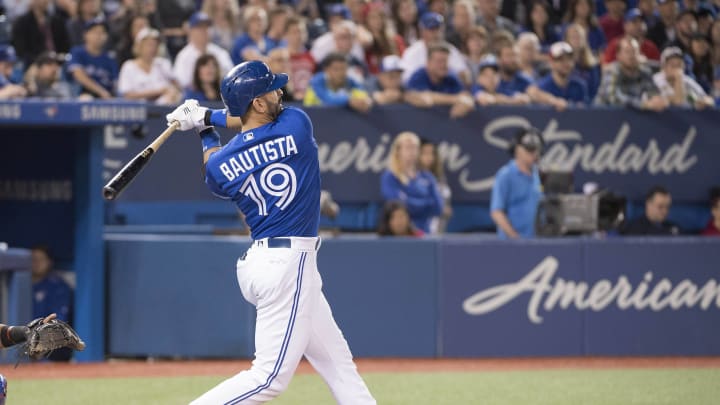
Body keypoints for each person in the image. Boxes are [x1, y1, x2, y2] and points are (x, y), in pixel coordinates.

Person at [164, 60, 376, 404]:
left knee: (337, 363)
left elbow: (218, 153)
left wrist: (203, 129)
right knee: (269, 378)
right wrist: (205, 117)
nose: (281, 92)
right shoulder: (296, 125)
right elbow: (245, 122)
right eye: (271, 89)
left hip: (264, 261)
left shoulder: (219, 168)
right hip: (288, 264)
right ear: (259, 102)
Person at [380, 131, 444, 234]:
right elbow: (396, 207)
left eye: (415, 147)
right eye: (408, 148)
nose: (412, 151)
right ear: (398, 151)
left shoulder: (427, 176)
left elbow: (438, 208)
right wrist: (426, 203)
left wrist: (408, 200)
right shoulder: (390, 176)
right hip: (399, 235)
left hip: (425, 233)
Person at [490, 127, 544, 239]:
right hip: (512, 244)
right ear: (517, 149)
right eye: (529, 149)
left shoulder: (539, 174)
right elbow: (496, 212)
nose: (534, 154)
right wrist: (515, 238)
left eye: (536, 149)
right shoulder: (505, 175)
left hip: (537, 242)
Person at [594, 37, 667, 111]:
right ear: (618, 55)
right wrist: (643, 104)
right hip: (604, 116)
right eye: (627, 52)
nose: (631, 55)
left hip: (631, 116)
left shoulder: (644, 72)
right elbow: (613, 98)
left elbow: (654, 93)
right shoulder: (612, 71)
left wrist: (657, 101)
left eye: (634, 51)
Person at [404, 42, 475, 118]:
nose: (443, 65)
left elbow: (465, 95)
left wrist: (468, 103)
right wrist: (456, 99)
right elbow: (421, 97)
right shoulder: (418, 76)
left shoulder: (451, 77)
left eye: (445, 61)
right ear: (428, 63)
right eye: (439, 61)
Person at [31, 246, 73, 361]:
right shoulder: (17, 285)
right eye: (33, 259)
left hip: (51, 347)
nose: (36, 263)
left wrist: (41, 346)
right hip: (22, 339)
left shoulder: (58, 286)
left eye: (40, 260)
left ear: (49, 262)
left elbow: (59, 322)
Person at [118, 27, 180, 104]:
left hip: (163, 110)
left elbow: (177, 86)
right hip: (138, 110)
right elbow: (127, 95)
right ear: (139, 46)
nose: (153, 48)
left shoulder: (163, 64)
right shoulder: (128, 66)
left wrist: (172, 93)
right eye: (149, 44)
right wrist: (158, 92)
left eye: (155, 45)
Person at [172, 11, 233, 90]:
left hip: (218, 96)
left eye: (207, 27)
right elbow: (181, 83)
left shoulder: (220, 53)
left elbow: (230, 77)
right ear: (191, 30)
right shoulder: (183, 56)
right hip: (193, 96)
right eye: (200, 27)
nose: (204, 31)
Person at [66, 17, 119, 99]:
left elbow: (116, 82)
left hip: (107, 98)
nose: (99, 36)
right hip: (83, 95)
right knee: (86, 99)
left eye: (102, 32)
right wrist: (100, 91)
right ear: (85, 34)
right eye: (95, 32)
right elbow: (78, 75)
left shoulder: (110, 57)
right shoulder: (77, 52)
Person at [303, 52, 373, 113]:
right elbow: (328, 99)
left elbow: (362, 95)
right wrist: (348, 101)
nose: (341, 73)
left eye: (343, 68)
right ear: (327, 70)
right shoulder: (316, 82)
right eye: (336, 69)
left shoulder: (350, 82)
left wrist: (367, 101)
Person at [11, 0, 71, 67]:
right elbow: (21, 51)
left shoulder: (57, 21)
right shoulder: (21, 23)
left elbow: (65, 46)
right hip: (34, 64)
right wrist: (39, 62)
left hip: (58, 62)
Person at [534, 41, 590, 106]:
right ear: (551, 62)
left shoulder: (579, 85)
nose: (566, 63)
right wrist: (552, 100)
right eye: (560, 59)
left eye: (569, 59)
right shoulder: (542, 86)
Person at [419, 139, 452, 234]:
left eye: (432, 153)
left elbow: (445, 200)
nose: (429, 157)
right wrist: (437, 207)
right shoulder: (413, 178)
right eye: (425, 153)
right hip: (420, 229)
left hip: (439, 227)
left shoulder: (440, 178)